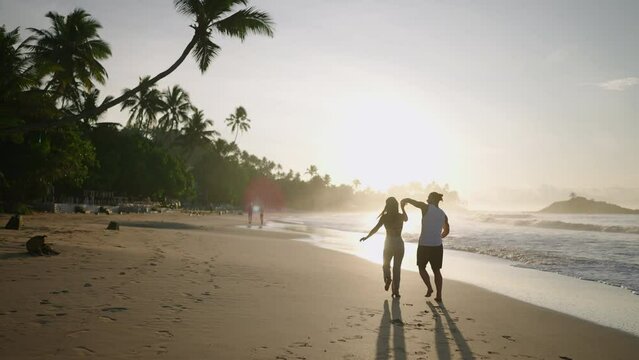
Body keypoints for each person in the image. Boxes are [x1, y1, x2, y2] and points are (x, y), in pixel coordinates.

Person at [401, 192, 450, 302]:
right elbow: (447, 230)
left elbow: (415, 202)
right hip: (437, 245)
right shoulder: (443, 214)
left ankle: (429, 288)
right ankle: (439, 295)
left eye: (429, 197)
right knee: (436, 270)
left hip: (424, 245)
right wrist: (439, 236)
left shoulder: (426, 207)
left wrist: (405, 199)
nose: (427, 198)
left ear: (432, 199)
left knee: (421, 268)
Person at [360, 197, 408, 298]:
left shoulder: (385, 217)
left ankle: (387, 278)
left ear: (387, 205)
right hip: (399, 242)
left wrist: (367, 237)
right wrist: (403, 208)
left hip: (389, 242)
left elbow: (376, 229)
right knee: (397, 268)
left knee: (386, 265)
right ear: (396, 205)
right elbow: (406, 219)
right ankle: (396, 291)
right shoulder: (400, 216)